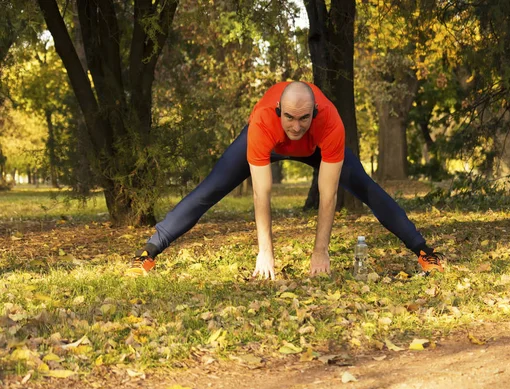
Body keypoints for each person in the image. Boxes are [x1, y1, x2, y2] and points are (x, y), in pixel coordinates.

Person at [132, 81, 444, 279]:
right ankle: (148, 252)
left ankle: (423, 251)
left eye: (304, 118)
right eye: (289, 117)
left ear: (315, 112)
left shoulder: (330, 123)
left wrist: (320, 250)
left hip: (316, 148)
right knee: (211, 188)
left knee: (368, 189)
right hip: (268, 142)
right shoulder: (263, 121)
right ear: (279, 110)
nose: (296, 126)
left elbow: (329, 194)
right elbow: (262, 194)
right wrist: (265, 251)